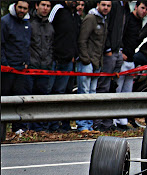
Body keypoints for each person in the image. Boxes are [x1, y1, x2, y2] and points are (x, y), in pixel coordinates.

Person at [114, 0, 147, 131]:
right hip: (123, 57)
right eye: (142, 8)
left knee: (127, 91)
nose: (144, 11)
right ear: (136, 7)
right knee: (118, 90)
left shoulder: (139, 22)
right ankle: (114, 119)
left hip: (131, 59)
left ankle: (122, 120)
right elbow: (120, 35)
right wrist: (121, 51)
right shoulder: (128, 18)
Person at [94, 1, 131, 132]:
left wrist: (119, 48)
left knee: (112, 87)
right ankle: (98, 122)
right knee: (103, 87)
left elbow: (120, 29)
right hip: (109, 52)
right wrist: (108, 48)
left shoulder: (124, 6)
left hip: (117, 51)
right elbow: (108, 28)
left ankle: (107, 122)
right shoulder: (114, 5)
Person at [75, 1, 111, 133]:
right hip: (87, 63)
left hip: (96, 62)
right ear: (98, 5)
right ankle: (82, 125)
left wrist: (97, 62)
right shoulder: (90, 18)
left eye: (108, 5)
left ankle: (89, 125)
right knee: (84, 94)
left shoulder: (103, 20)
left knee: (92, 94)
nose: (106, 8)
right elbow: (82, 40)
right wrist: (86, 60)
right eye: (103, 5)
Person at [47, 1, 79, 133]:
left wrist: (73, 54)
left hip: (68, 60)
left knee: (62, 92)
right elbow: (48, 28)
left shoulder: (74, 15)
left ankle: (57, 124)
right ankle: (47, 125)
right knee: (50, 92)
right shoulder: (58, 9)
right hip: (55, 59)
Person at [1, 1, 32, 134]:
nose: (22, 10)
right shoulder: (5, 21)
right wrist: (4, 63)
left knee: (20, 99)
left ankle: (19, 128)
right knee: (5, 99)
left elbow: (27, 44)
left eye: (25, 8)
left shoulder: (27, 23)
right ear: (15, 6)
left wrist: (26, 61)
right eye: (20, 7)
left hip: (21, 69)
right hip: (7, 69)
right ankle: (2, 128)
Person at [27, 1, 54, 132]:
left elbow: (51, 46)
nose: (45, 8)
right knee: (30, 97)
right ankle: (29, 126)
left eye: (48, 6)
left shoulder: (49, 26)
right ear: (37, 6)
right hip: (31, 67)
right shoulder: (30, 23)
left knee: (43, 97)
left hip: (45, 67)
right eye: (43, 5)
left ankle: (40, 127)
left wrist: (49, 62)